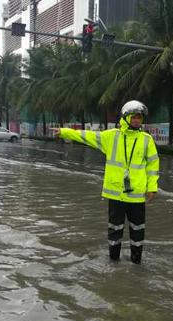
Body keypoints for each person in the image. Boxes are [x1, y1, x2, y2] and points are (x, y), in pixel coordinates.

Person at [51, 100, 159, 264]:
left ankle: (137, 262)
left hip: (137, 195)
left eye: (140, 118)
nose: (137, 120)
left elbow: (153, 165)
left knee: (138, 230)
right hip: (115, 195)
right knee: (115, 229)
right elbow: (87, 136)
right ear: (126, 117)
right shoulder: (111, 136)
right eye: (134, 117)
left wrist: (152, 188)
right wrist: (64, 132)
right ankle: (113, 261)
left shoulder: (146, 139)